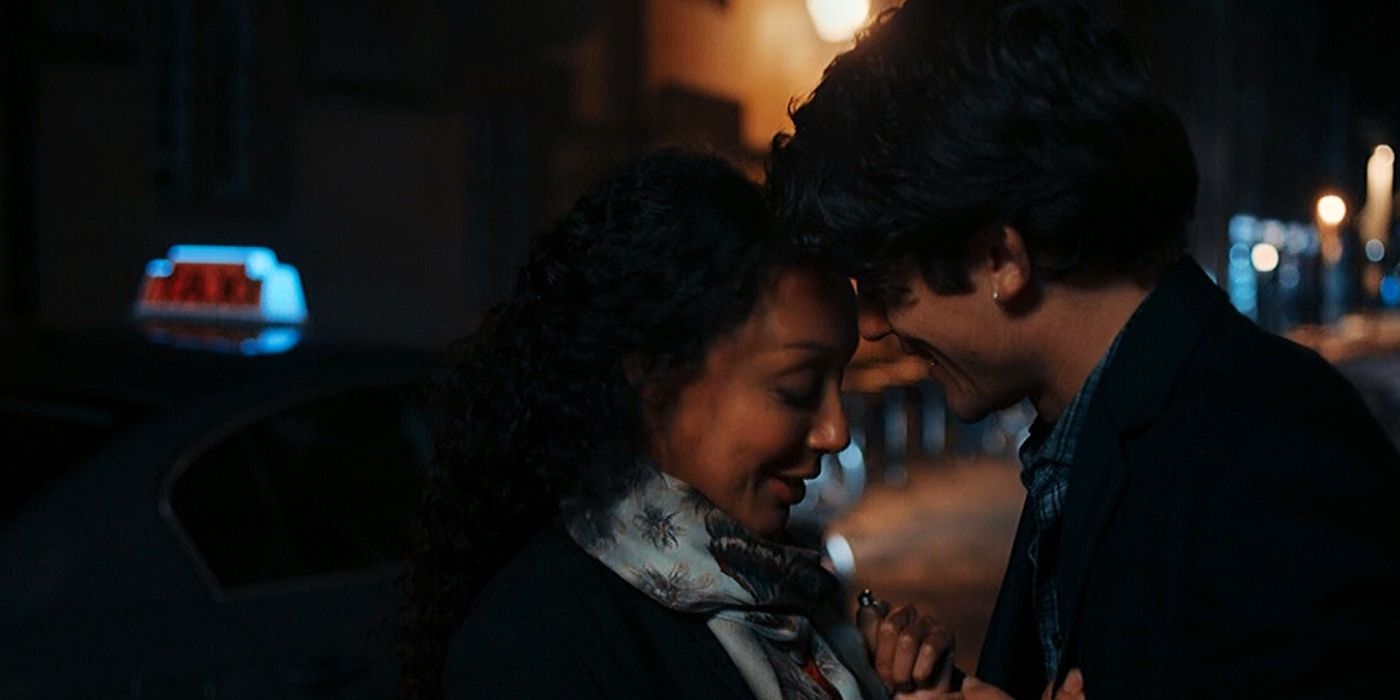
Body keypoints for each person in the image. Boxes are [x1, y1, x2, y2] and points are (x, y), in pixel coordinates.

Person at [768, 0, 1400, 698]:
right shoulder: (1105, 429)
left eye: (887, 286)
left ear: (1001, 257)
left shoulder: (1271, 458)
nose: (879, 326)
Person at [395, 151, 886, 699]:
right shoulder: (536, 643)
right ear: (655, 374)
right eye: (796, 390)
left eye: (839, 382)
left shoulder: (786, 594)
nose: (836, 432)